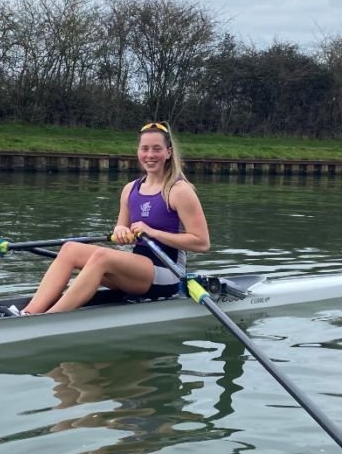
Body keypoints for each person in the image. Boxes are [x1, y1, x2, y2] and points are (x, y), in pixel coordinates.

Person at [21, 121, 210, 314]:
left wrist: (153, 232)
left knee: (102, 256)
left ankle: (50, 318)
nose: (150, 155)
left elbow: (202, 243)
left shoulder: (179, 191)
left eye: (157, 149)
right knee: (70, 249)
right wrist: (120, 231)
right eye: (145, 149)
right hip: (138, 270)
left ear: (168, 153)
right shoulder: (130, 189)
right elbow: (121, 227)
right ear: (138, 152)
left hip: (169, 273)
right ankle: (29, 313)